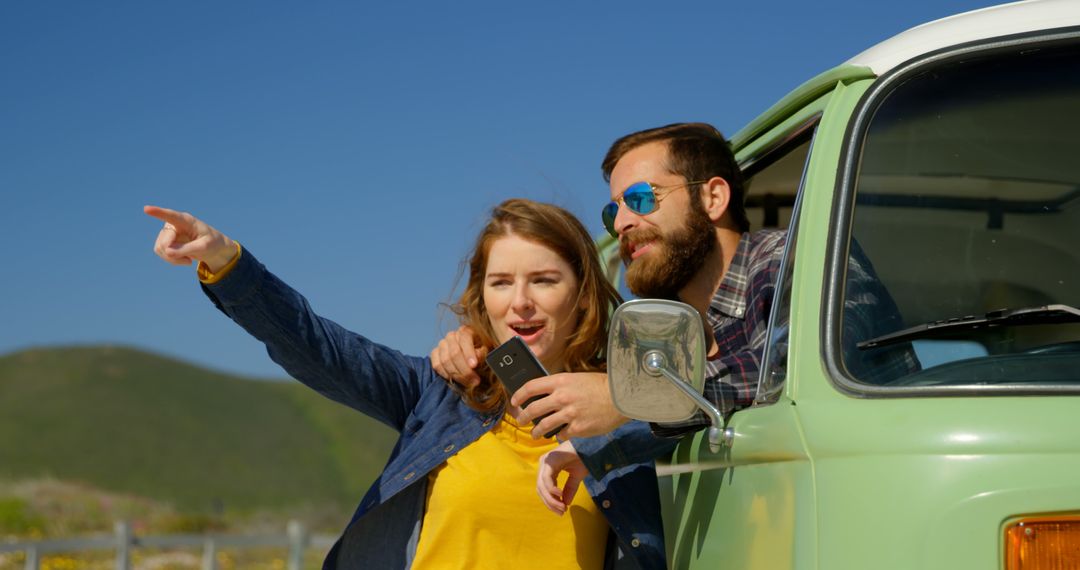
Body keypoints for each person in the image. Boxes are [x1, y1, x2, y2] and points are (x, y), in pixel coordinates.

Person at [144, 199, 672, 570]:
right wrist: (227, 263)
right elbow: (317, 346)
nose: (520, 302)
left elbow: (705, 403)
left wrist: (621, 406)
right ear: (481, 296)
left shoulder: (632, 407)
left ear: (582, 292)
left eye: (544, 280)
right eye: (501, 282)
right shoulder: (439, 392)